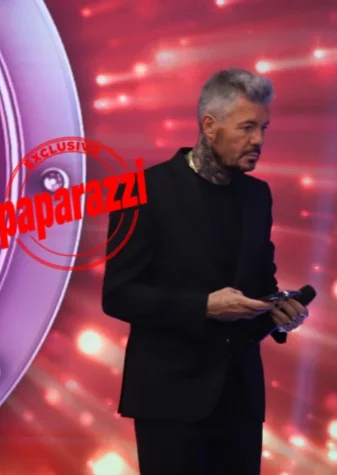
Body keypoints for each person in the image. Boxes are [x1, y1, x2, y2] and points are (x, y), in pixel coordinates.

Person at [101, 68, 309, 475]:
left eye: (263, 128)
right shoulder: (142, 191)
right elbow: (119, 295)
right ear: (210, 126)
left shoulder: (257, 195)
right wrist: (204, 307)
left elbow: (259, 285)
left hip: (240, 400)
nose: (259, 140)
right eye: (247, 127)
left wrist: (278, 312)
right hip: (170, 400)